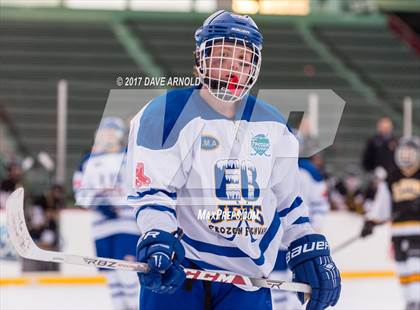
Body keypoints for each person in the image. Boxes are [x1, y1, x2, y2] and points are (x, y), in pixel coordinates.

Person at [126, 10, 341, 310]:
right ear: (200, 59)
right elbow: (153, 193)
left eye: (243, 60)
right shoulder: (167, 113)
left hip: (246, 281)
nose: (233, 69)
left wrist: (305, 244)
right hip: (182, 271)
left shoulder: (273, 125)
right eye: (223, 56)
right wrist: (159, 234)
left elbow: (288, 202)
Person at [73, 117, 140, 310]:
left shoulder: (131, 156)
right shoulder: (87, 161)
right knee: (110, 274)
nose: (108, 135)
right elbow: (80, 191)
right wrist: (98, 204)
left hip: (128, 225)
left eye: (112, 131)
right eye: (105, 131)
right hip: (100, 227)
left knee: (128, 272)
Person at [361, 136, 420, 310]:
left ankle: (417, 300)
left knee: (415, 265)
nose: (406, 157)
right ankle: (410, 301)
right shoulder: (392, 177)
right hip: (398, 232)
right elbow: (382, 205)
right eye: (404, 153)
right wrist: (371, 222)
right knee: (402, 268)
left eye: (410, 153)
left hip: (418, 231)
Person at [271, 155, 331, 309]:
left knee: (300, 285)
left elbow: (320, 202)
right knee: (276, 285)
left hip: (299, 238)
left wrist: (313, 231)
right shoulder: (267, 164)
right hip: (273, 242)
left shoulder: (309, 171)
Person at [22, 184, 64, 271]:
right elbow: (37, 222)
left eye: (59, 192)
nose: (57, 195)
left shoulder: (57, 202)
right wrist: (47, 216)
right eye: (56, 192)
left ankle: (45, 263)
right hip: (37, 232)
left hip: (48, 231)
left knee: (48, 240)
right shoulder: (40, 202)